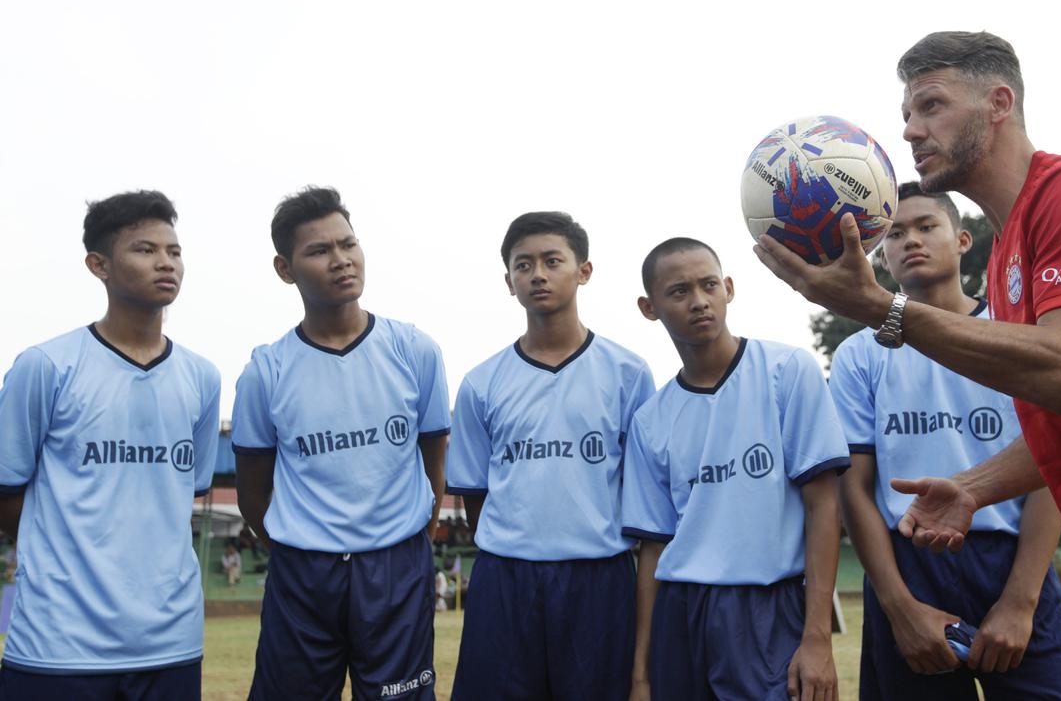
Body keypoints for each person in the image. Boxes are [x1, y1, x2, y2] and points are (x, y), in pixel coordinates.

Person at [753, 30, 1061, 699]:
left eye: (931, 106)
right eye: (906, 114)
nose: (909, 131)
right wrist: (975, 487)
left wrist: (882, 309)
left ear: (999, 103)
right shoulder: (1008, 253)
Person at [828, 181, 1061, 699]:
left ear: (963, 240)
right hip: (907, 567)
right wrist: (899, 608)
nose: (911, 240)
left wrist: (1021, 601)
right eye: (895, 234)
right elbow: (854, 488)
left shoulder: (1014, 333)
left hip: (1012, 562)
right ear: (881, 254)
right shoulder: (860, 354)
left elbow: (1048, 466)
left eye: (926, 226)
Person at [231, 186, 449, 700]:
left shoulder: (414, 350)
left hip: (396, 567)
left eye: (348, 244)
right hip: (304, 574)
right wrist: (301, 546)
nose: (341, 260)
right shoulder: (266, 371)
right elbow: (252, 493)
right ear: (285, 269)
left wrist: (413, 539)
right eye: (319, 250)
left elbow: (433, 461)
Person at [0, 191, 220, 699]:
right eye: (145, 250)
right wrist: (66, 551)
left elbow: (183, 495)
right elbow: (7, 493)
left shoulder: (202, 378)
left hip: (171, 644)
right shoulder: (45, 367)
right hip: (58, 645)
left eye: (174, 251)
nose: (166, 262)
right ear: (98, 265)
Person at [623, 237, 848, 701]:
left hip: (770, 607)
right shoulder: (650, 419)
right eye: (679, 291)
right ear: (649, 308)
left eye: (708, 285)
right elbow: (653, 549)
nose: (699, 301)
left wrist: (817, 638)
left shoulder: (788, 371)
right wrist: (641, 675)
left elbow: (823, 506)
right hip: (681, 613)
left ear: (728, 288)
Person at [446, 211, 655, 701]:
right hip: (505, 579)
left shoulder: (628, 373)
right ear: (509, 282)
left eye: (552, 261)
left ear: (584, 270)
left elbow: (643, 490)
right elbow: (476, 496)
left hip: (599, 578)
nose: (537, 274)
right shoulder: (481, 382)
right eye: (523, 265)